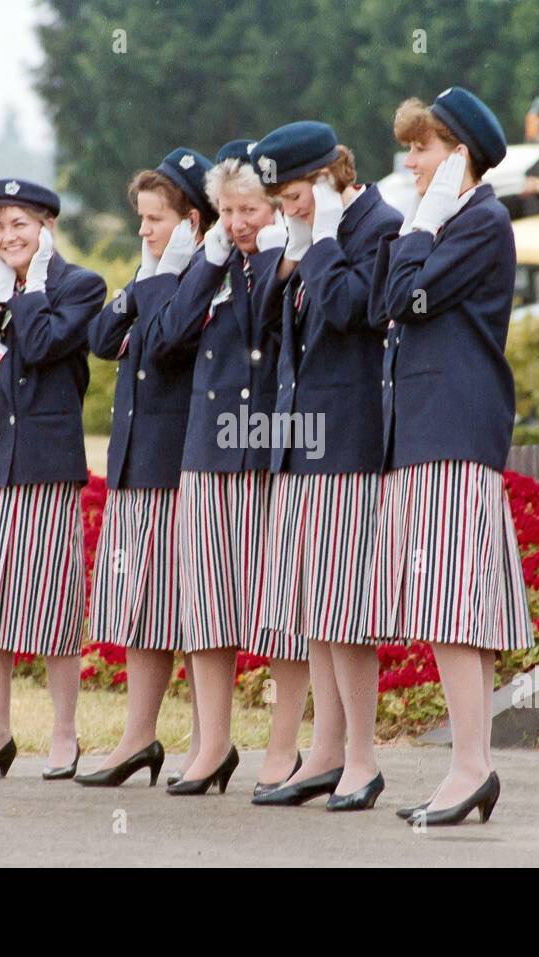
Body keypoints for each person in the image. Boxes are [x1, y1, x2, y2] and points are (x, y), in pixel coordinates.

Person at [369, 87, 535, 826]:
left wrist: (423, 226)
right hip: (427, 433)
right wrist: (420, 223)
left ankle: (471, 765)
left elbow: (402, 299)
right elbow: (385, 300)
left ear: (459, 155)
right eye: (408, 147)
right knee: (450, 605)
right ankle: (471, 763)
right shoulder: (442, 223)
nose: (410, 161)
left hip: (452, 432)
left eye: (423, 147)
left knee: (452, 607)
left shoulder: (480, 223)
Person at [245, 121, 403, 811]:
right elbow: (276, 342)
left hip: (348, 441)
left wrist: (325, 241)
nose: (290, 210)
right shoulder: (312, 239)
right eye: (281, 201)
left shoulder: (377, 225)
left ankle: (363, 759)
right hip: (302, 443)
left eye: (297, 194)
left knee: (344, 609)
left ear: (335, 170)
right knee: (315, 607)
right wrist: (296, 255)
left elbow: (350, 312)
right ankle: (329, 751)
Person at [0, 178, 107, 781]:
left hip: (43, 463)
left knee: (52, 600)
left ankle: (64, 734)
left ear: (47, 229)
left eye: (20, 224)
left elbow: (39, 345)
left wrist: (29, 285)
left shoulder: (79, 287)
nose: (8, 236)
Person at [151, 143, 295, 795]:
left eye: (250, 209)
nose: (237, 223)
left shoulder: (285, 262)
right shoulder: (214, 265)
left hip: (270, 452)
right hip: (208, 453)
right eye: (227, 210)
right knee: (208, 604)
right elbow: (165, 338)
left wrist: (268, 249)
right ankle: (212, 744)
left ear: (276, 206)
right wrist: (207, 261)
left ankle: (285, 745)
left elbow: (274, 316)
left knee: (283, 606)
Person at [77, 149, 217, 788]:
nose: (144, 230)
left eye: (155, 219)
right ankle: (139, 736)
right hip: (137, 463)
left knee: (188, 609)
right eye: (140, 218)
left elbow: (161, 343)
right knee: (142, 608)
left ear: (191, 221)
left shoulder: (198, 276)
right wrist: (146, 274)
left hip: (177, 464)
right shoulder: (158, 271)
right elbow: (104, 339)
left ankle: (205, 742)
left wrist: (163, 277)